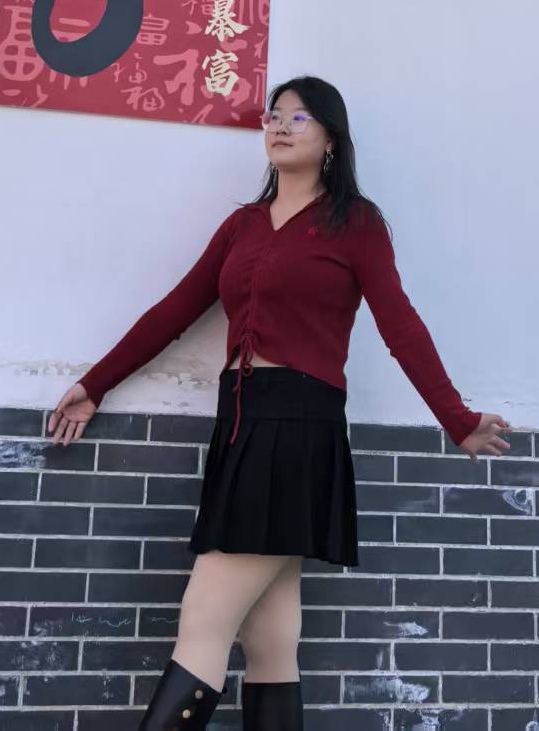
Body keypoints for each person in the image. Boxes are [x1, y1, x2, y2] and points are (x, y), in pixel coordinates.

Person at [48, 76, 510, 731]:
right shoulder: (241, 225)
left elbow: (399, 324)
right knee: (269, 636)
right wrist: (96, 382)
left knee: (204, 617)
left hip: (298, 425)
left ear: (330, 139)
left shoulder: (354, 223)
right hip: (239, 423)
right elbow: (175, 309)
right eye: (273, 116)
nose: (279, 126)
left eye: (298, 117)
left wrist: (455, 420)